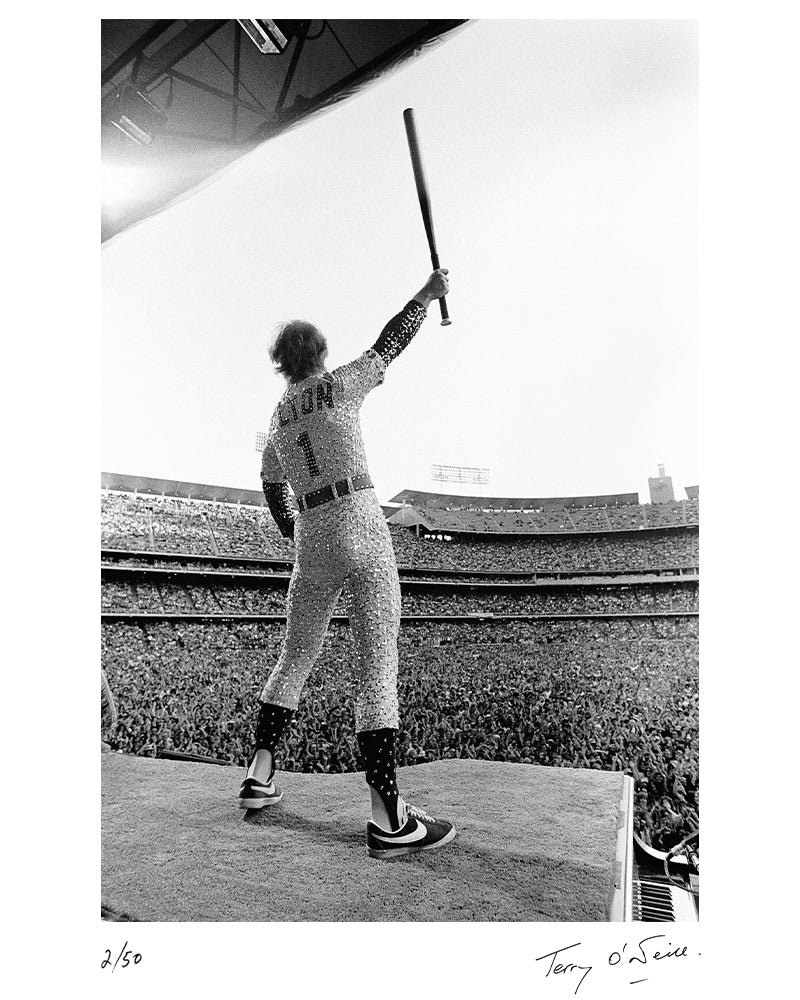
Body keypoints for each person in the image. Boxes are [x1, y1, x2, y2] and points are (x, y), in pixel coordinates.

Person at [238, 269, 456, 860]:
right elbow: (391, 343)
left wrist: (296, 533)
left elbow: (269, 484)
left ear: (281, 365)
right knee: (375, 664)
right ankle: (389, 817)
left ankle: (260, 775)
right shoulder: (339, 386)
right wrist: (426, 294)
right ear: (321, 355)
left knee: (296, 656)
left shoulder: (279, 423)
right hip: (359, 520)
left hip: (312, 536)